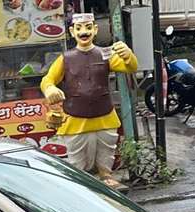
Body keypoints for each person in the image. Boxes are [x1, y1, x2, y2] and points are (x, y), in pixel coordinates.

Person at [40, 13, 137, 189]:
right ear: (72, 31)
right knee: (77, 156)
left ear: (95, 29)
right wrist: (50, 89)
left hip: (104, 114)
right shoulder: (66, 58)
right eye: (79, 28)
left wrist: (129, 55)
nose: (84, 32)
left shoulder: (105, 54)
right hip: (76, 116)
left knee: (106, 150)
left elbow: (130, 68)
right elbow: (48, 79)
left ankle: (106, 175)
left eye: (87, 27)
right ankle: (80, 181)